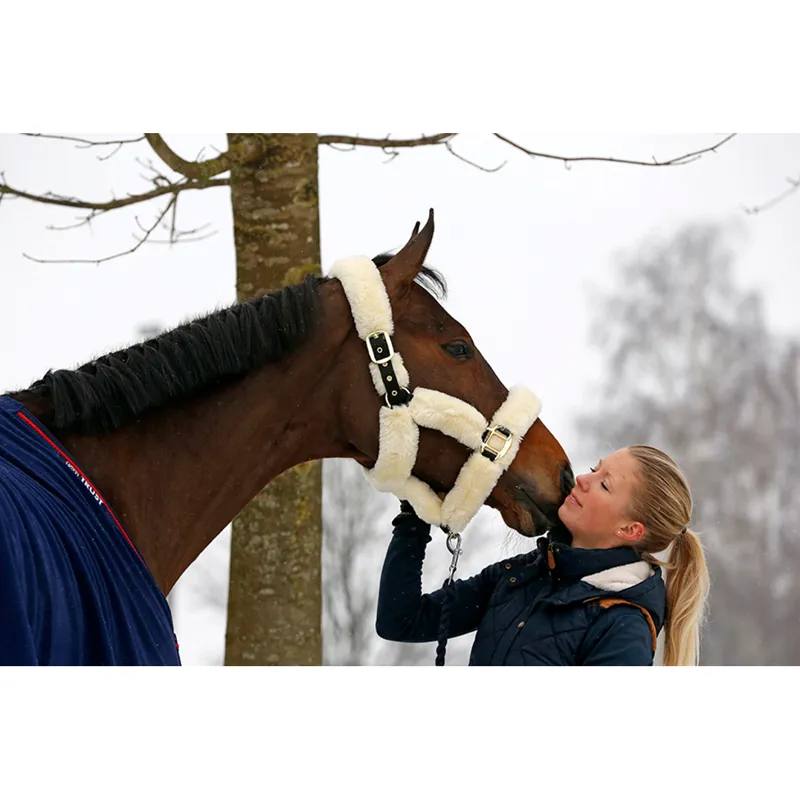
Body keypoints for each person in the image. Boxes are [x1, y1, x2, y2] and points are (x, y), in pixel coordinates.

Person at [376, 445, 710, 666]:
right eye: (595, 468)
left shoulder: (623, 627)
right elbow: (401, 620)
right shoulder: (524, 575)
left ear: (629, 530)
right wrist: (415, 514)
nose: (582, 479)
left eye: (604, 484)